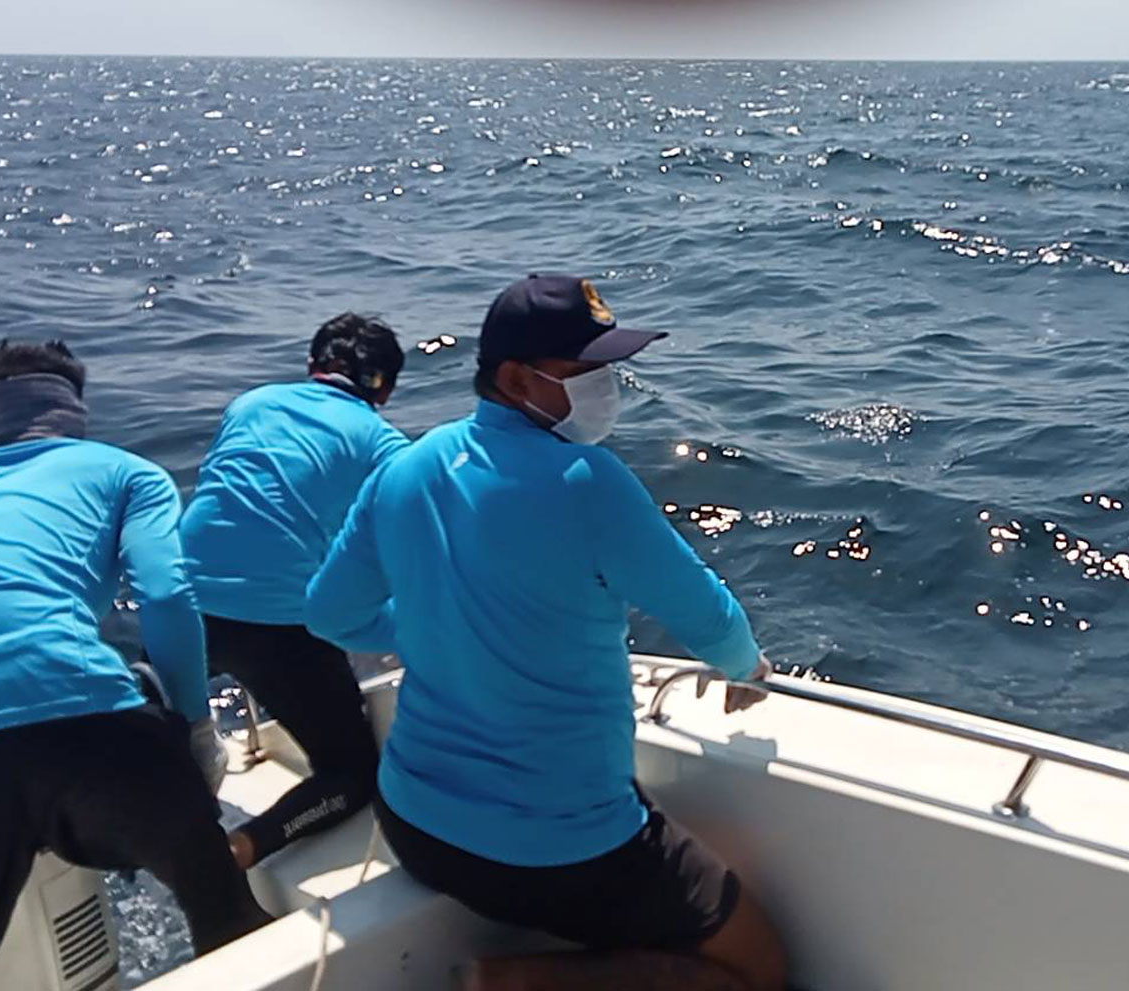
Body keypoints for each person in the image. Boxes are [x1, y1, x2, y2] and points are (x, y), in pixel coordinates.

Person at [305, 276, 788, 991]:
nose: (607, 384)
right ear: (511, 377)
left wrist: (432, 628)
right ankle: (513, 980)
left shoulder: (402, 469)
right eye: (585, 368)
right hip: (563, 854)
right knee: (761, 965)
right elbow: (708, 619)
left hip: (415, 822)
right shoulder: (587, 480)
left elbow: (330, 614)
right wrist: (748, 667)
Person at [0, 339, 269, 991]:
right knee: (229, 923)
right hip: (86, 727)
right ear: (73, 406)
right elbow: (168, 594)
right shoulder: (127, 472)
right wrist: (194, 732)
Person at [179, 313, 408, 870]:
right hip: (276, 628)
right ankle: (241, 850)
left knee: (157, 733)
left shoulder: (250, 404)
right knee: (351, 775)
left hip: (180, 603)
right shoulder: (384, 445)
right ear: (387, 388)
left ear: (312, 368)